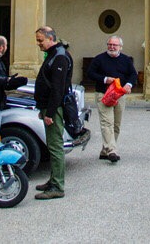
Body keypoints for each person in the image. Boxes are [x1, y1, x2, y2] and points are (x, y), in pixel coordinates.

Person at [33, 26, 73, 199]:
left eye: (41, 40)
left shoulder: (60, 57)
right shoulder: (54, 54)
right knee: (51, 144)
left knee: (55, 145)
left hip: (54, 107)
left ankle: (57, 186)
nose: (38, 44)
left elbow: (58, 88)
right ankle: (53, 180)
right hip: (49, 106)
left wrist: (49, 112)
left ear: (51, 38)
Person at [85, 35, 139, 163]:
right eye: (110, 44)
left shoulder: (126, 60)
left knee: (116, 124)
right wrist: (104, 79)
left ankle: (105, 150)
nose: (112, 47)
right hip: (103, 94)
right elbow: (90, 73)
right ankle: (112, 151)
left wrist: (129, 85)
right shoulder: (99, 59)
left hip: (119, 95)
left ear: (120, 47)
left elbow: (133, 74)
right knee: (107, 123)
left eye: (115, 45)